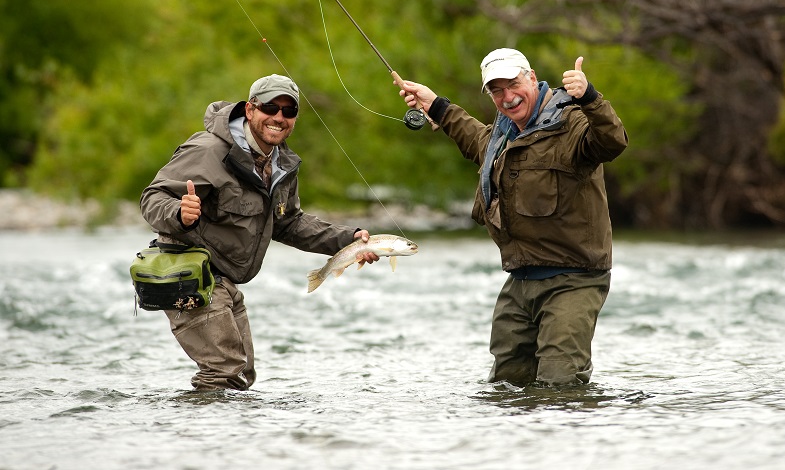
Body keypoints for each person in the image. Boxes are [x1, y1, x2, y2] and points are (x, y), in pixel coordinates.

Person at [397, 48, 628, 386]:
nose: (507, 97)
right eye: (496, 90)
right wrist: (435, 105)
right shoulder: (503, 135)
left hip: (574, 278)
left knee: (559, 385)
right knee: (506, 386)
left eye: (513, 84)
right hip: (520, 281)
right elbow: (473, 136)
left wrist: (591, 98)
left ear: (532, 78)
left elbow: (612, 142)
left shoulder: (572, 121)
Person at [140, 74, 379, 391]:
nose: (279, 117)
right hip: (187, 273)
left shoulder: (280, 164)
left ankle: (226, 437)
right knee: (223, 371)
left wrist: (349, 239)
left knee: (240, 377)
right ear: (250, 110)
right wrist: (179, 214)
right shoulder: (209, 151)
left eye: (289, 111)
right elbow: (151, 199)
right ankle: (196, 437)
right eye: (270, 107)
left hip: (224, 280)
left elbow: (289, 223)